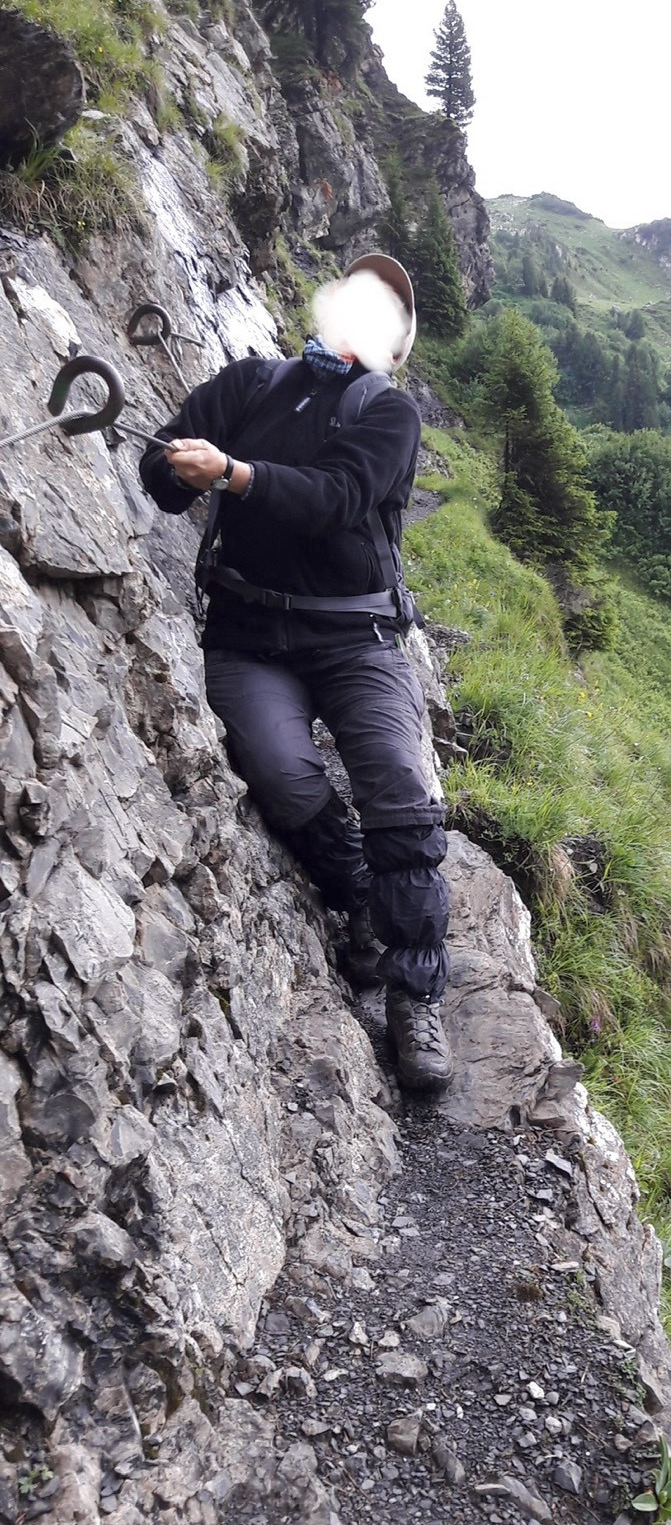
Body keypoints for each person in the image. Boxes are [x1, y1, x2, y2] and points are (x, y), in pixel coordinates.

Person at [138, 254, 452, 1093]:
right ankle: (358, 900)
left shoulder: (389, 415)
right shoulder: (249, 385)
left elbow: (334, 499)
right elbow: (158, 479)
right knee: (282, 776)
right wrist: (174, 466)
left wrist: (232, 475)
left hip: (359, 640)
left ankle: (414, 992)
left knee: (397, 787)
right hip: (247, 633)